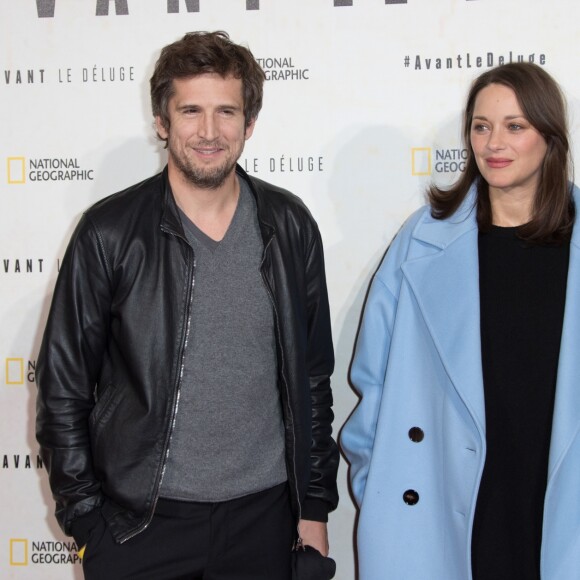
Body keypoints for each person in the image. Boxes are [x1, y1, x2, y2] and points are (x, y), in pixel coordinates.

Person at [36, 31, 338, 580]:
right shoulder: (109, 233)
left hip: (265, 521)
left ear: (249, 124)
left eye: (227, 112)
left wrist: (313, 507)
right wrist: (88, 527)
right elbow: (63, 393)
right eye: (190, 110)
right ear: (162, 121)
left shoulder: (289, 226)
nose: (208, 131)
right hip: (140, 528)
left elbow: (313, 380)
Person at [340, 62, 580, 580]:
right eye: (481, 125)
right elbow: (373, 382)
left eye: (515, 126)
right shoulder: (423, 241)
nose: (494, 142)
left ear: (550, 137)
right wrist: (384, 491)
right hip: (443, 508)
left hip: (560, 508)